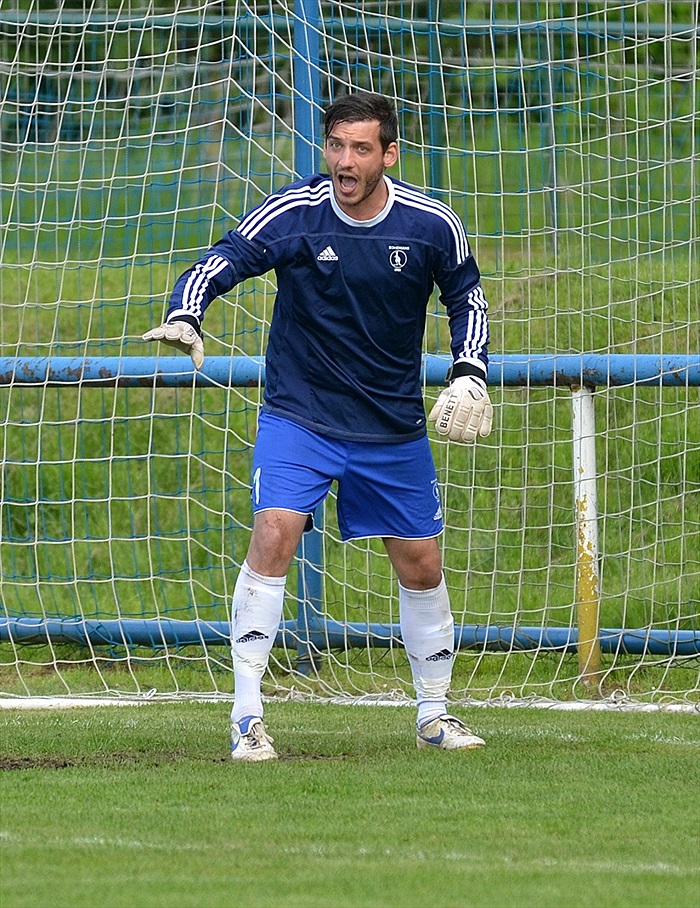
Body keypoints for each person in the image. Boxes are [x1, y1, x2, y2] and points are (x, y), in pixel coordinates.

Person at [143, 92, 493, 761]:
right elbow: (227, 257)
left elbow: (465, 295)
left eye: (361, 148)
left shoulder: (430, 224)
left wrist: (469, 370)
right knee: (275, 530)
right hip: (300, 412)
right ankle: (247, 718)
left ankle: (434, 714)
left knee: (421, 565)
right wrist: (187, 311)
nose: (344, 161)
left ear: (388, 153)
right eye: (336, 145)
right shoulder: (296, 211)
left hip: (390, 422)